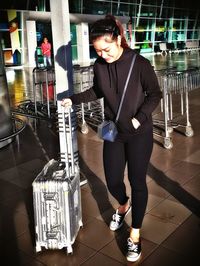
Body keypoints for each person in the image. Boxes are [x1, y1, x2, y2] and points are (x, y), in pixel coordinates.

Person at [62, 15, 162, 262]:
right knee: (113, 180)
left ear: (118, 39)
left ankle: (135, 235)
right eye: (98, 51)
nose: (103, 55)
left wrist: (138, 119)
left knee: (138, 180)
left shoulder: (139, 63)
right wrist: (72, 100)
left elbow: (155, 94)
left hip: (139, 133)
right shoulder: (99, 65)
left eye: (106, 49)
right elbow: (98, 90)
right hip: (114, 132)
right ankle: (123, 204)